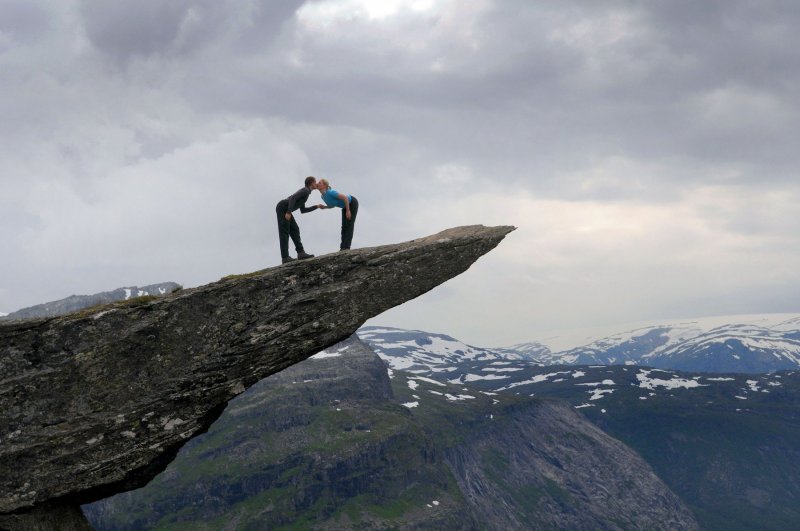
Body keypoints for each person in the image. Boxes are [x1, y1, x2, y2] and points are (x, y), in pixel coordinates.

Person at [276, 176, 324, 264]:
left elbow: (303, 210)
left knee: (295, 230)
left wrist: (316, 206)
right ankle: (285, 257)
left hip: (286, 209)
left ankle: (301, 253)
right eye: (315, 182)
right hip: (283, 208)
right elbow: (293, 198)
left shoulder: (306, 193)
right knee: (284, 232)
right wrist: (289, 212)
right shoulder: (305, 190)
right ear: (312, 183)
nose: (316, 183)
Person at [316, 178, 359, 250]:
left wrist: (348, 211)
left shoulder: (330, 192)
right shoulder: (323, 197)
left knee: (349, 224)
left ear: (325, 186)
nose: (318, 183)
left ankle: (347, 247)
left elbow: (345, 198)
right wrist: (325, 207)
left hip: (351, 203)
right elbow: (332, 205)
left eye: (320, 183)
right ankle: (342, 247)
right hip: (345, 206)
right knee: (344, 227)